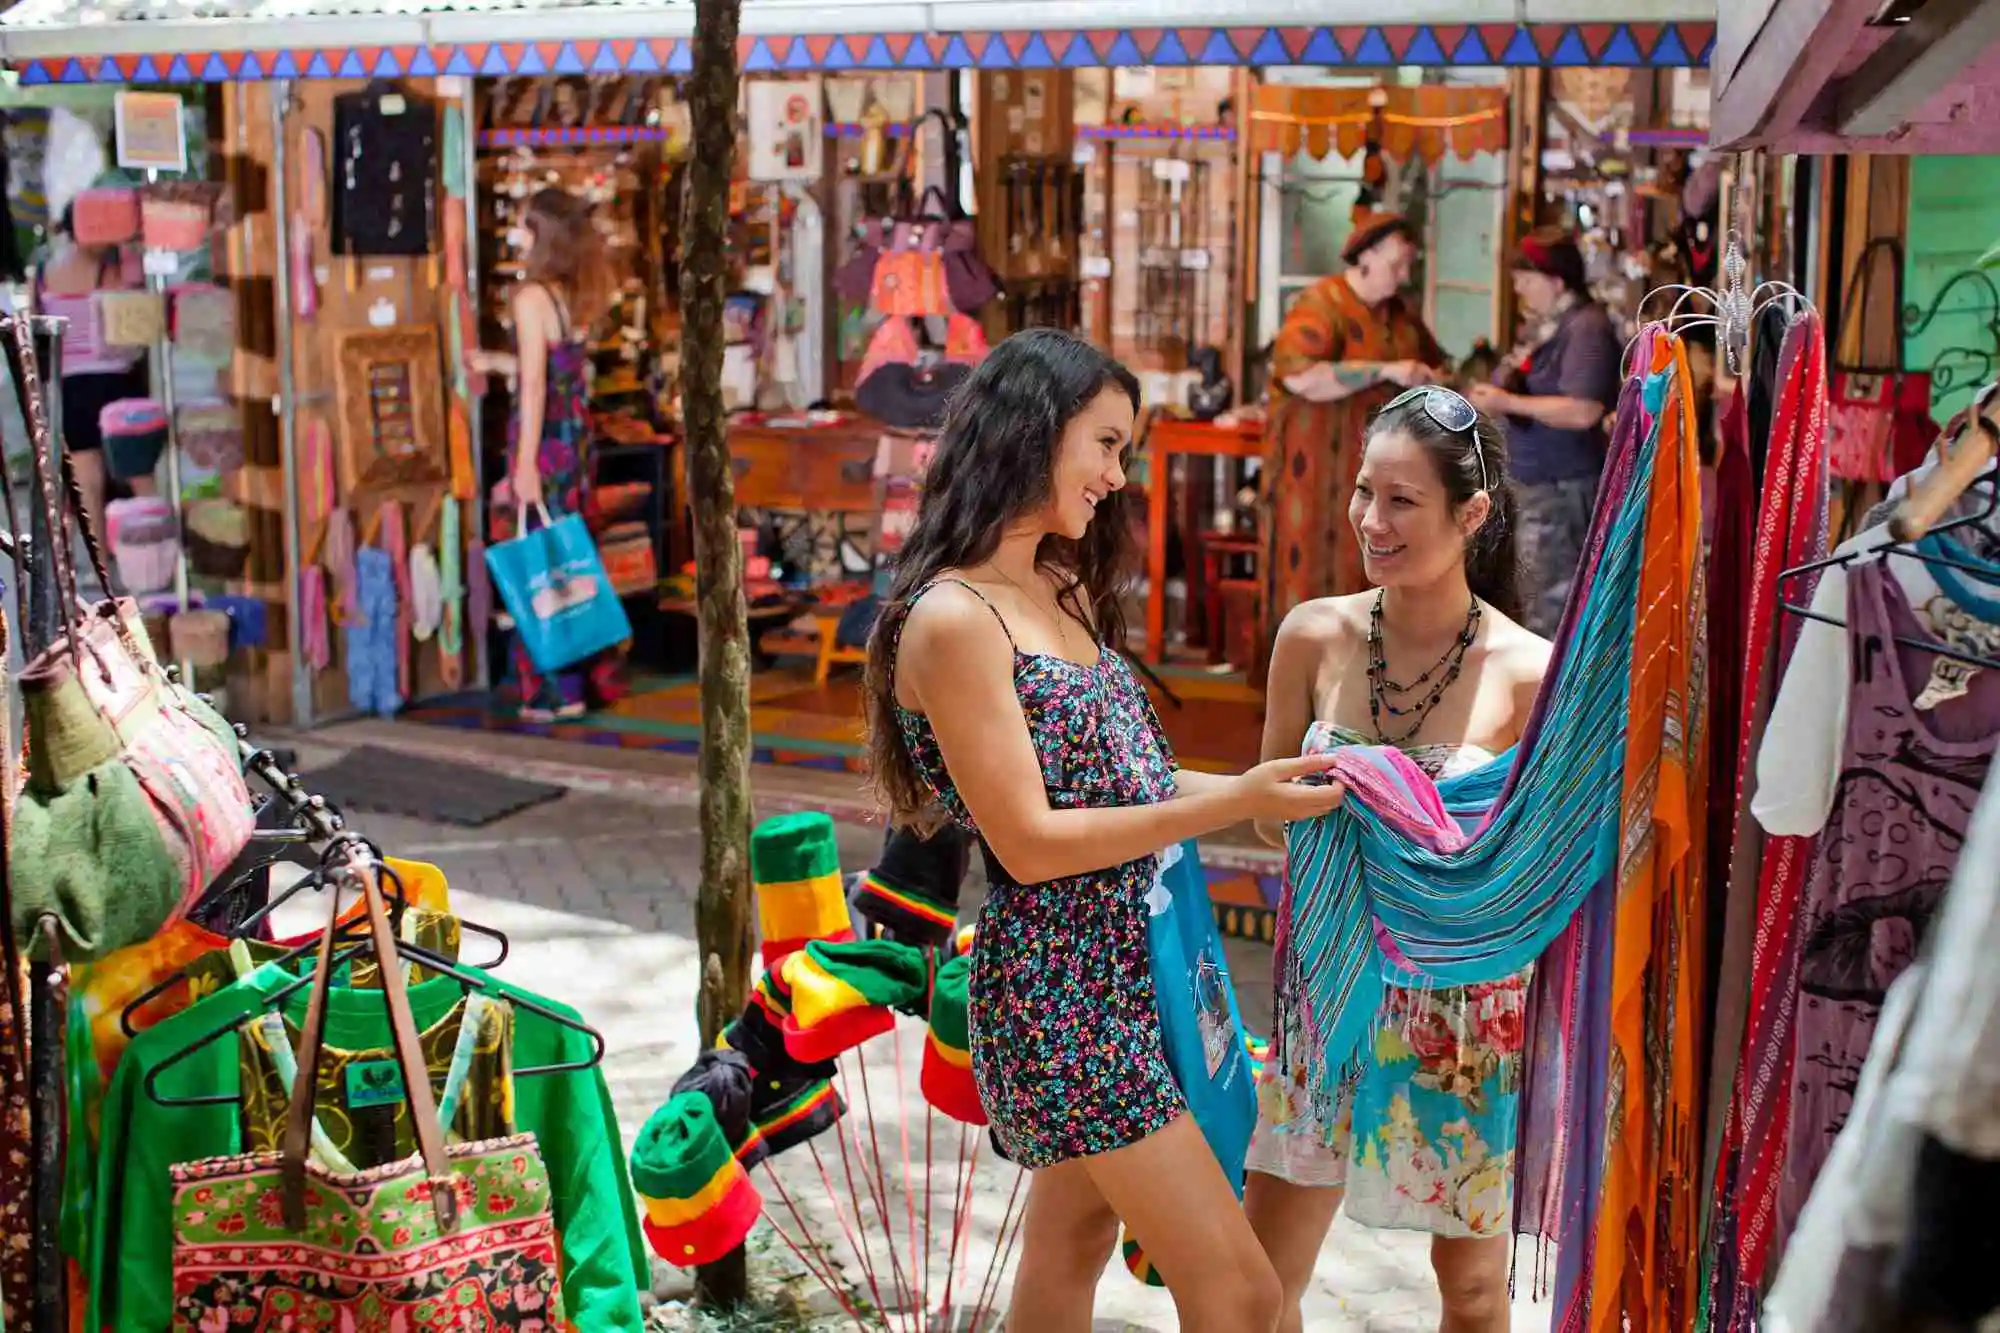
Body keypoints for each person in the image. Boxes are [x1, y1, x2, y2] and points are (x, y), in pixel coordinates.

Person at [864, 328, 1348, 1333]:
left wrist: (1261, 789)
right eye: (1105, 443)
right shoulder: (952, 618)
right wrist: (1229, 801)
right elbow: (1031, 842)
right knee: (1246, 1298)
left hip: (1142, 968)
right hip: (1061, 994)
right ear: (1032, 432)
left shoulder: (1054, 583)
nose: (1115, 476)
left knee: (1064, 1259)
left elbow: (1128, 778)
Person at [1244, 386, 1551, 1333]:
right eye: (1364, 492)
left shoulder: (1532, 670)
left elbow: (1534, 868)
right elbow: (1266, 815)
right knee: (1256, 1284)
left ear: (1473, 513)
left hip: (1461, 1018)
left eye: (1403, 500)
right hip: (1325, 989)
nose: (1372, 521)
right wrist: (1355, 818)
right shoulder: (1313, 634)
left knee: (1468, 1290)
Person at [1259, 211, 1446, 681]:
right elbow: (1301, 375)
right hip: (1313, 474)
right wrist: (1383, 371)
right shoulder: (1319, 305)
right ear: (1365, 257)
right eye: (1397, 264)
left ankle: (1363, 682)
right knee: (1307, 578)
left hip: (1377, 476)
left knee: (1370, 567)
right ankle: (1295, 682)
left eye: (1408, 265)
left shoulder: (1399, 315)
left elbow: (1435, 364)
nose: (1404, 276)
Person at [470, 187, 621, 721]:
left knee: (540, 564)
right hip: (574, 442)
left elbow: (534, 387)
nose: (518, 235)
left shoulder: (530, 296)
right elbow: (560, 374)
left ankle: (559, 690)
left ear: (542, 235)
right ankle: (589, 677)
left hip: (544, 445)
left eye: (524, 226)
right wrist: (497, 362)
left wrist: (523, 464)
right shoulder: (573, 293)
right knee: (571, 555)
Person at [1467, 227, 1622, 637]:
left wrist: (1507, 403)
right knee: (1534, 595)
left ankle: (1547, 697)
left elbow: (1583, 410)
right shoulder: (1550, 325)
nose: (1520, 291)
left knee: (1551, 603)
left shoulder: (1586, 328)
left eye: (1526, 281)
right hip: (1539, 487)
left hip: (1561, 489)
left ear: (1555, 280)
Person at [37, 201, 149, 545]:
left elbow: (37, 331)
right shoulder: (110, 268)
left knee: (87, 483)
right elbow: (138, 308)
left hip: (71, 385)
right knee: (139, 470)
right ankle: (159, 550)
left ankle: (101, 570)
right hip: (116, 381)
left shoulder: (45, 271)